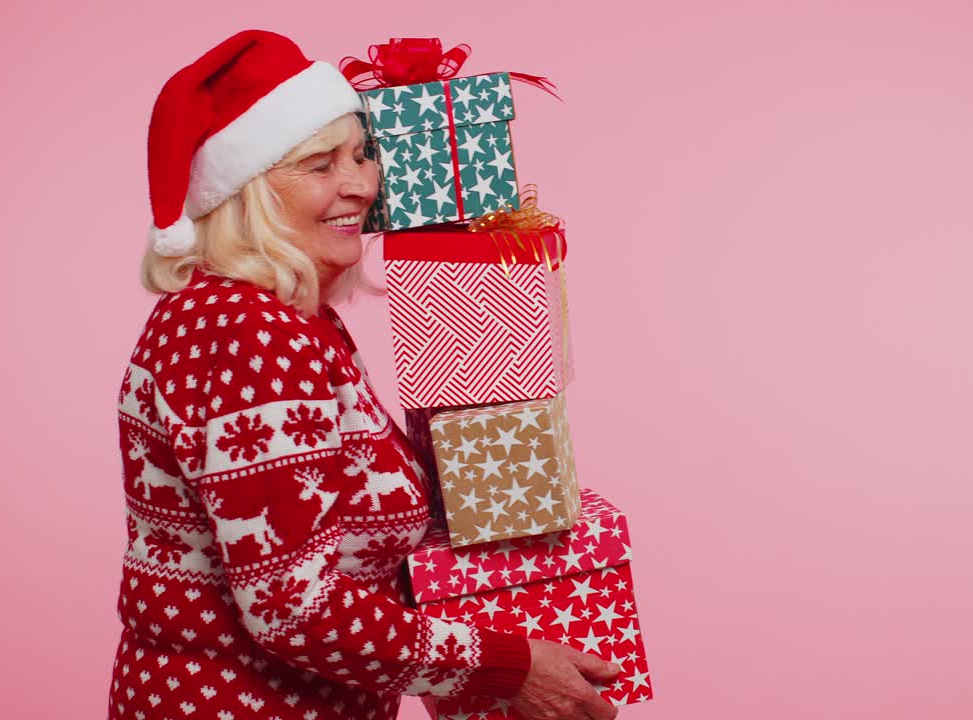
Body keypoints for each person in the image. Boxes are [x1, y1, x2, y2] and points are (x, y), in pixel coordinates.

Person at [108, 29, 620, 720]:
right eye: (321, 166)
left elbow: (337, 551)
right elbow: (292, 605)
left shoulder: (282, 319)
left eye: (363, 155)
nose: (361, 184)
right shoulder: (247, 331)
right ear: (248, 191)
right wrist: (502, 666)